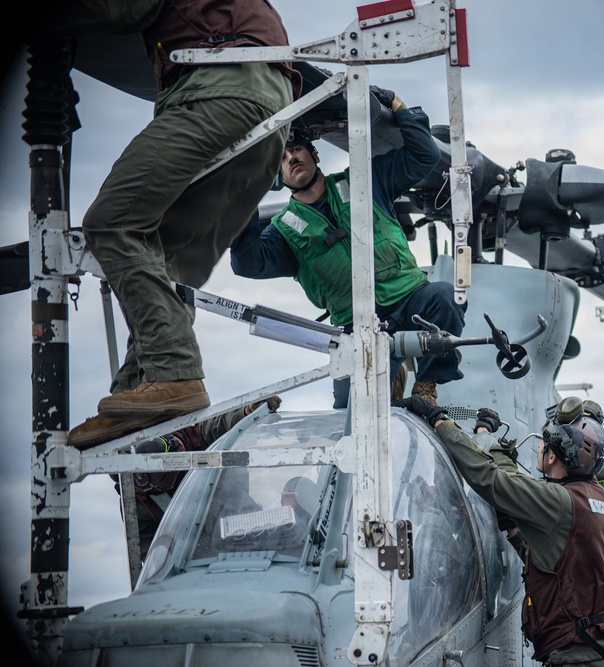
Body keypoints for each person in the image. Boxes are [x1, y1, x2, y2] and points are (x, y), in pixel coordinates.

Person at [66, 0, 301, 448]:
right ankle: (138, 394)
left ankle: (173, 374)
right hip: (270, 112)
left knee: (112, 224)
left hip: (220, 90)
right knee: (170, 259)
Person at [229, 88, 464, 407]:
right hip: (358, 328)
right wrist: (246, 192)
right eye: (282, 159)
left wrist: (397, 105)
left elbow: (426, 155)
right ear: (277, 176)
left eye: (297, 149)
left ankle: (426, 385)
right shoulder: (284, 231)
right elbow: (247, 264)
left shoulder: (367, 181)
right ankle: (389, 380)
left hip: (412, 302)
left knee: (445, 296)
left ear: (315, 154)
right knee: (351, 414)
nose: (292, 158)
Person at [396, 395, 604, 666]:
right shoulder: (603, 502)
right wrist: (513, 531)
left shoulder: (560, 502)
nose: (539, 447)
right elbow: (565, 566)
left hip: (585, 657)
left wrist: (440, 420)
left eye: (544, 442)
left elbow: (488, 477)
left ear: (555, 455)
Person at [119, 396, 281, 559]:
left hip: (235, 508)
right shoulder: (134, 502)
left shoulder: (190, 431)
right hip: (195, 551)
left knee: (275, 543)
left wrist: (247, 411)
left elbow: (220, 423)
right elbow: (150, 554)